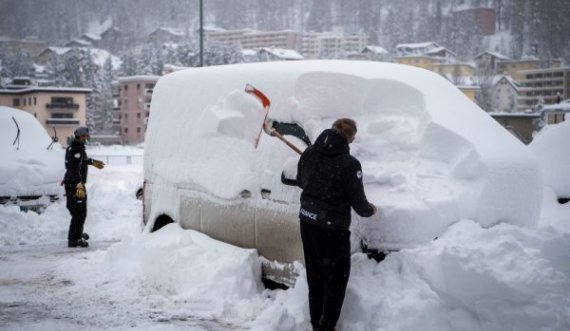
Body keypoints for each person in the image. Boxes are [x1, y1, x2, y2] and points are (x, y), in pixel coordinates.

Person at [293, 118, 377, 331]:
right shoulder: (350, 164)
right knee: (336, 281)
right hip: (331, 229)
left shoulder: (310, 152)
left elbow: (302, 182)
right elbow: (359, 204)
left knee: (316, 276)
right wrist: (370, 209)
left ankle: (316, 325)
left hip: (307, 221)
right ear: (350, 138)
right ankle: (326, 326)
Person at [63, 126, 105, 248]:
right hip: (76, 186)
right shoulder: (76, 150)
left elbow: (81, 161)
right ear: (80, 137)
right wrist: (79, 185)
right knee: (79, 213)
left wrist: (92, 162)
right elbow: (73, 169)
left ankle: (77, 235)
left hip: (74, 184)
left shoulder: (76, 148)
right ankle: (74, 239)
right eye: (85, 136)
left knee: (79, 212)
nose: (87, 138)